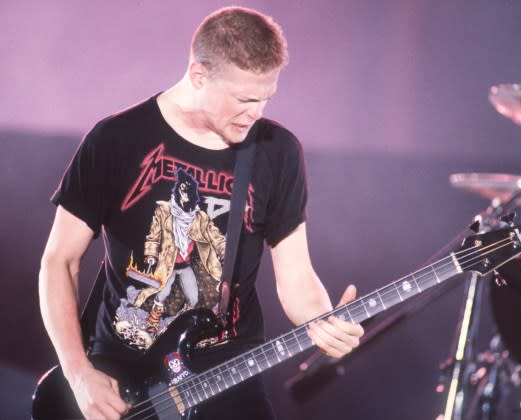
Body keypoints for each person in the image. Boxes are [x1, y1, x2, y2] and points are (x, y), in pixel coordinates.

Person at [38, 6, 364, 419]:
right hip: (123, 377)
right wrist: (79, 374)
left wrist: (324, 322)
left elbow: (297, 277)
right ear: (198, 75)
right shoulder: (117, 139)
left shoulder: (277, 152)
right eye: (246, 99)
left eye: (266, 98)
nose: (257, 113)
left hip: (226, 374)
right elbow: (59, 261)